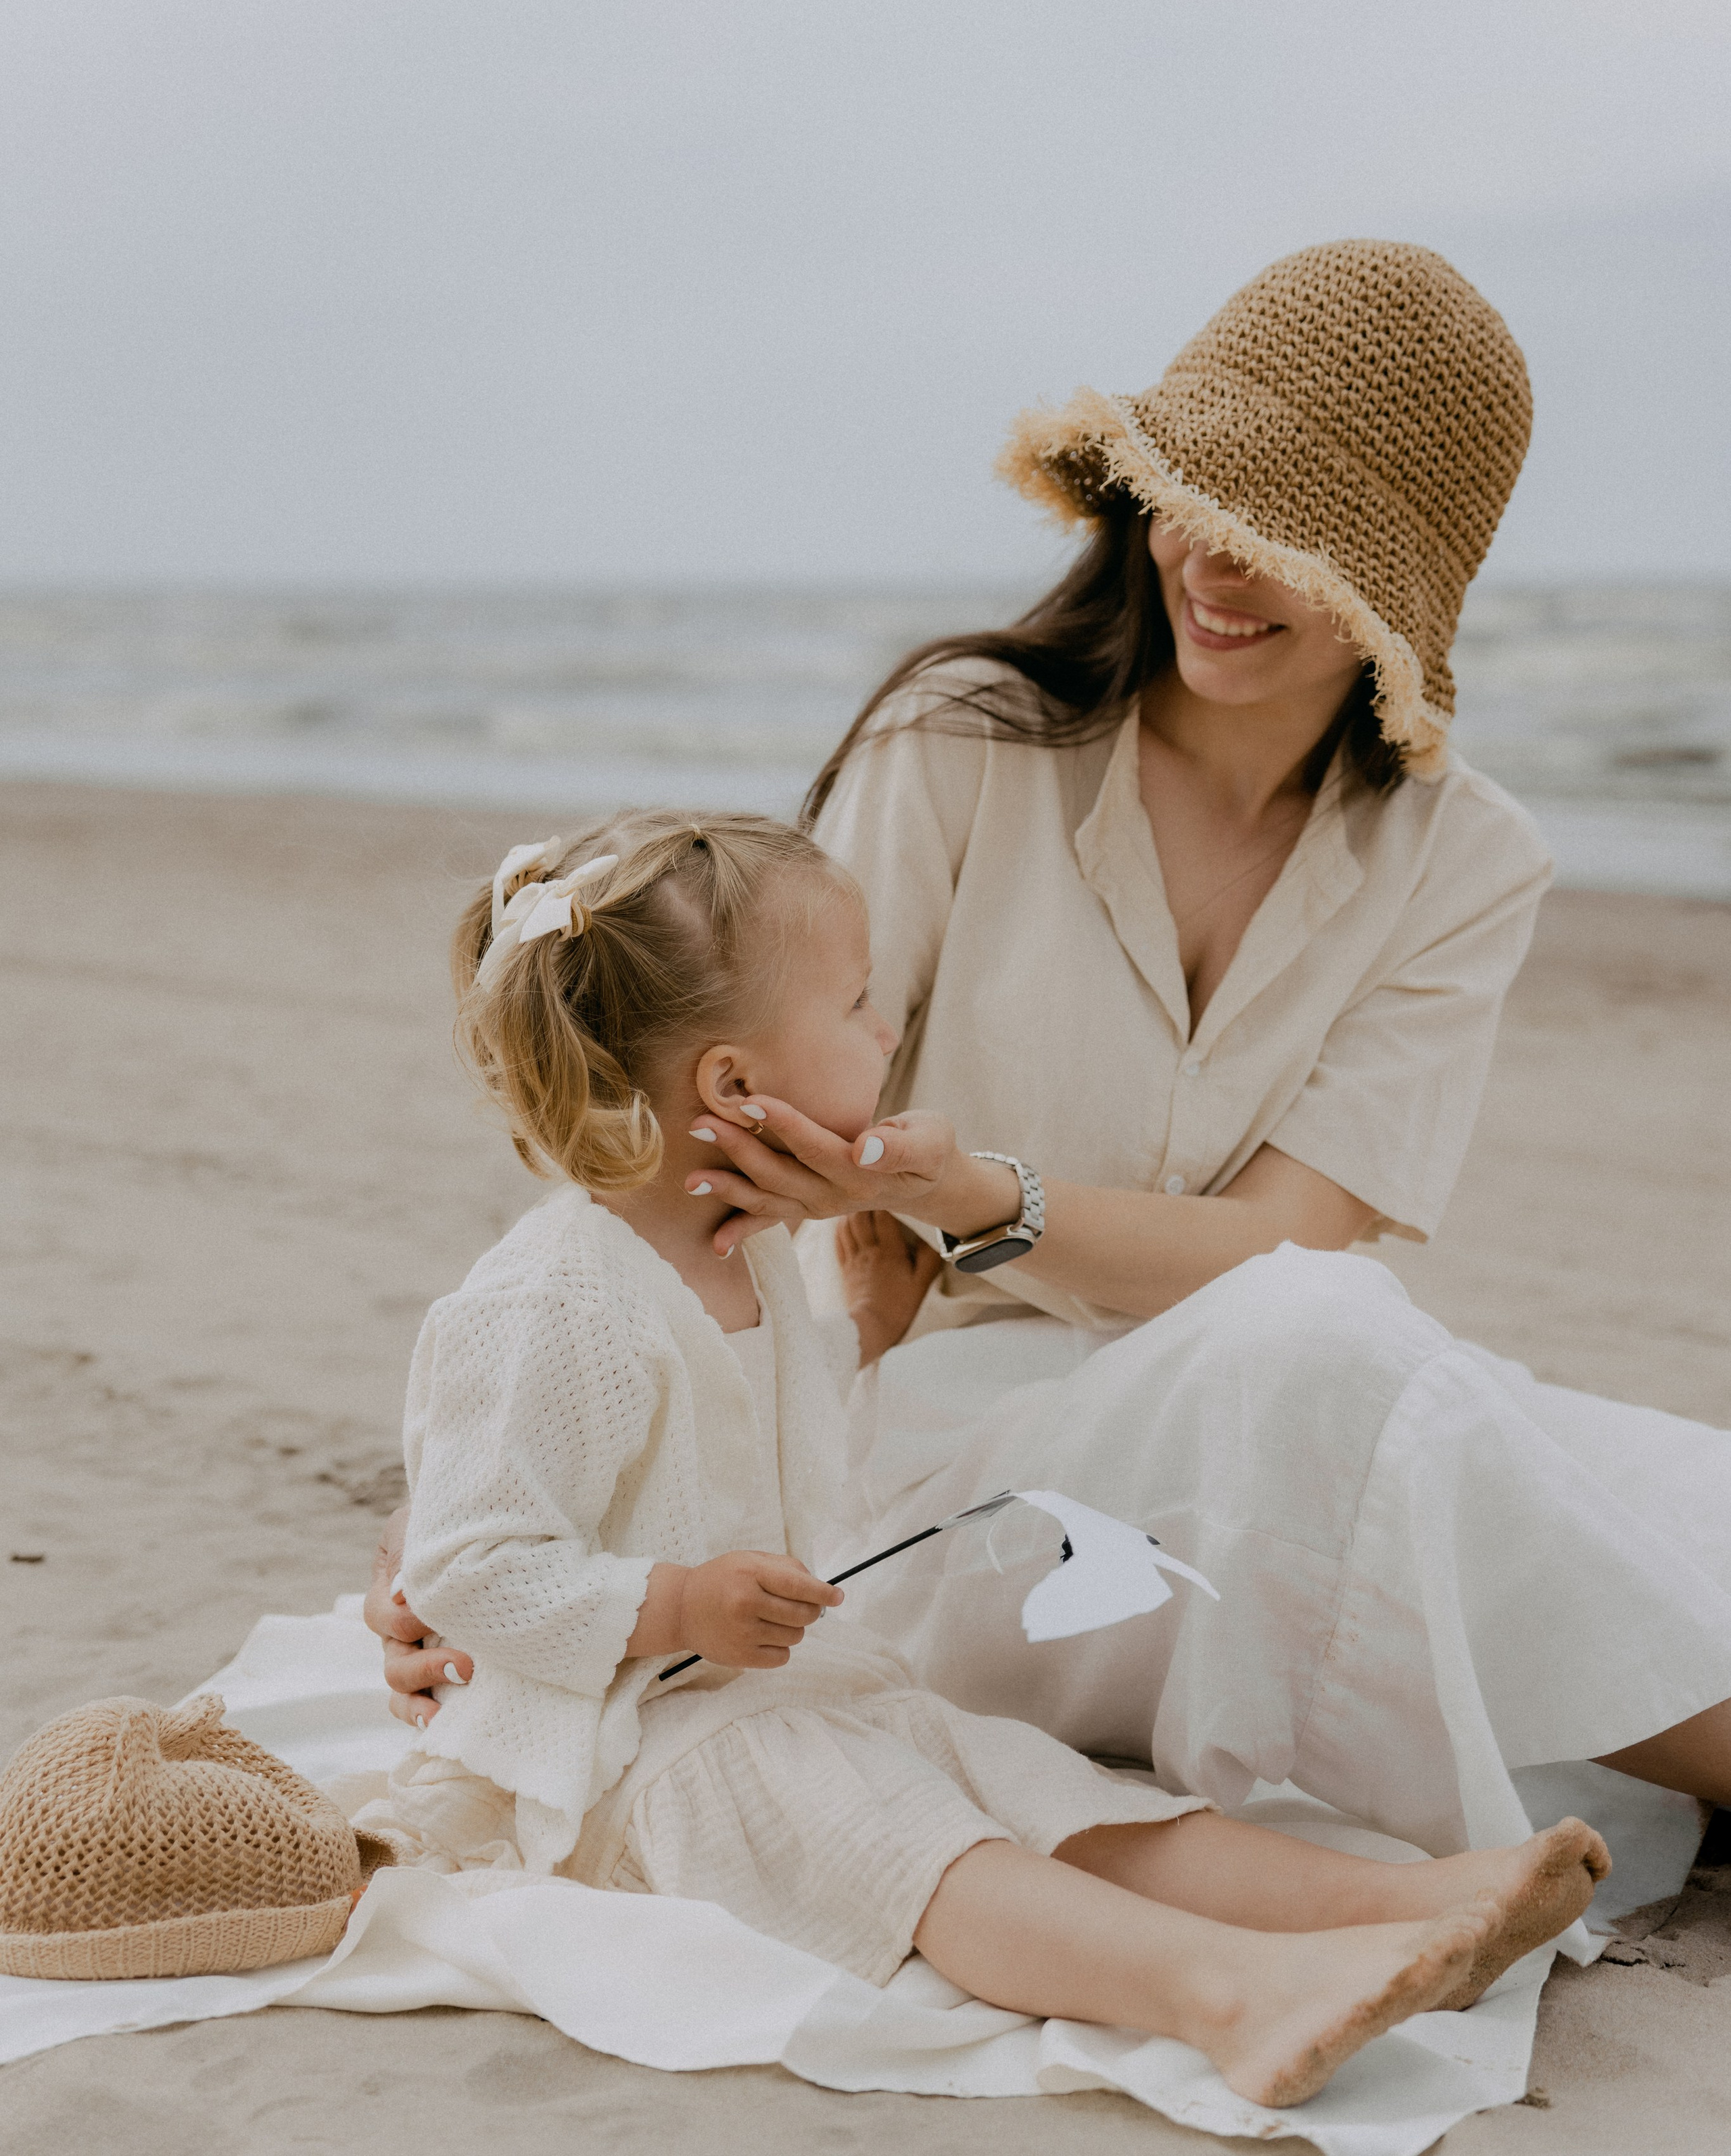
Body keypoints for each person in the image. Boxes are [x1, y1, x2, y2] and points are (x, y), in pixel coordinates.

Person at [355, 815, 1606, 2113]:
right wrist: (672, 1604)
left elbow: (735, 1455)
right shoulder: (553, 1300)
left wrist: (874, 1336)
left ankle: (1396, 1904)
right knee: (915, 1841)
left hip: (778, 1687)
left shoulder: (743, 1253)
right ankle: (1227, 1994)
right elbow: (470, 1563)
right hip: (627, 1755)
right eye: (856, 1006)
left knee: (1020, 1780)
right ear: (733, 1087)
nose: (886, 1033)